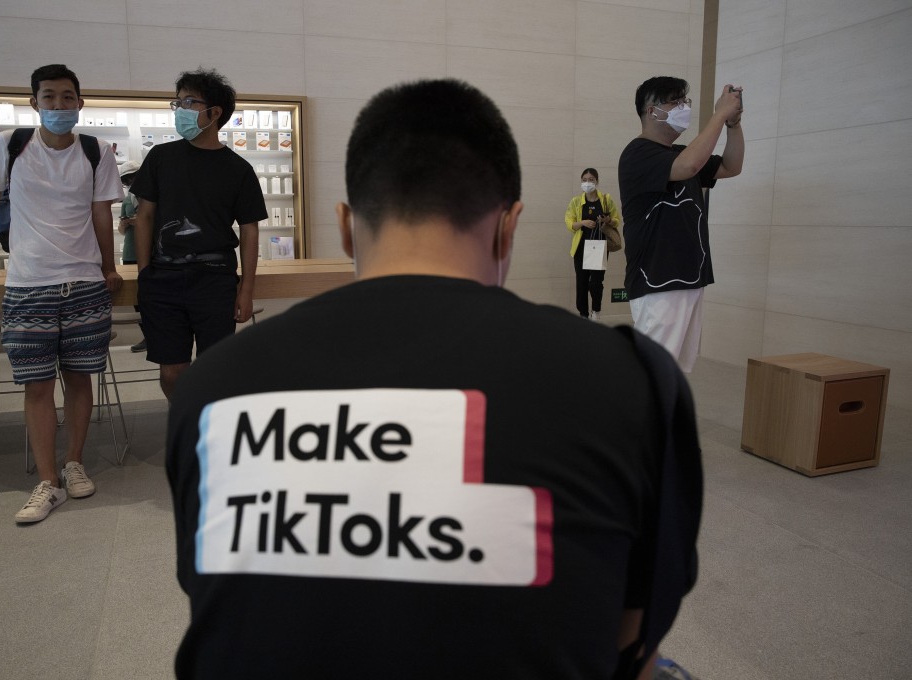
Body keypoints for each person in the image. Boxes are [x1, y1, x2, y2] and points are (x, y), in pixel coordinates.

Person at [166, 79, 703, 679]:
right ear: (510, 226)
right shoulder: (629, 382)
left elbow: (221, 606)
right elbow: (632, 645)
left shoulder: (210, 387)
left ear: (346, 227)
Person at [0, 64, 125, 523]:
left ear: (80, 102)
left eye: (67, 96)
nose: (59, 105)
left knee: (79, 378)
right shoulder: (11, 145)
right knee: (36, 385)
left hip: (84, 282)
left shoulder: (96, 151)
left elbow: (100, 215)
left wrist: (108, 267)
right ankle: (47, 481)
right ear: (34, 102)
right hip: (28, 282)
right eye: (49, 97)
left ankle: (74, 463)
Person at [131, 68, 267, 400]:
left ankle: (209, 435)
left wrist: (246, 289)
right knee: (171, 371)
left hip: (215, 281)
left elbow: (249, 230)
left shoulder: (238, 170)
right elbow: (144, 216)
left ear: (215, 112)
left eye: (189, 102)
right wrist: (145, 272)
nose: (180, 110)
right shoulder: (161, 158)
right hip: (163, 279)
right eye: (177, 103)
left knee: (214, 369)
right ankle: (186, 426)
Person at [618, 76, 744, 372]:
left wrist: (733, 125)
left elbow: (731, 166)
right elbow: (689, 166)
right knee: (652, 372)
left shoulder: (680, 153)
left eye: (685, 101)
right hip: (659, 279)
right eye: (676, 101)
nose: (684, 107)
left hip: (689, 277)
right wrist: (718, 114)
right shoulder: (637, 153)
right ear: (652, 111)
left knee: (674, 371)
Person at [564, 167, 622, 320]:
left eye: (591, 180)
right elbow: (569, 223)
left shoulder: (605, 200)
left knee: (596, 283)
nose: (587, 183)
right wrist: (582, 222)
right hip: (581, 248)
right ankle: (583, 314)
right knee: (581, 283)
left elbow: (617, 220)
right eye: (584, 180)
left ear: (597, 182)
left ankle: (596, 311)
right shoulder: (576, 201)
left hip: (599, 247)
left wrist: (607, 220)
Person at [116, 160, 147, 353]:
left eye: (132, 178)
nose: (130, 183)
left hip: (149, 252)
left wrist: (142, 222)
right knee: (136, 299)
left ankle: (158, 334)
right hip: (130, 252)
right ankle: (147, 336)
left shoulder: (153, 195)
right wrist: (126, 224)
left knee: (152, 296)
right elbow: (120, 228)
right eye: (126, 181)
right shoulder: (127, 200)